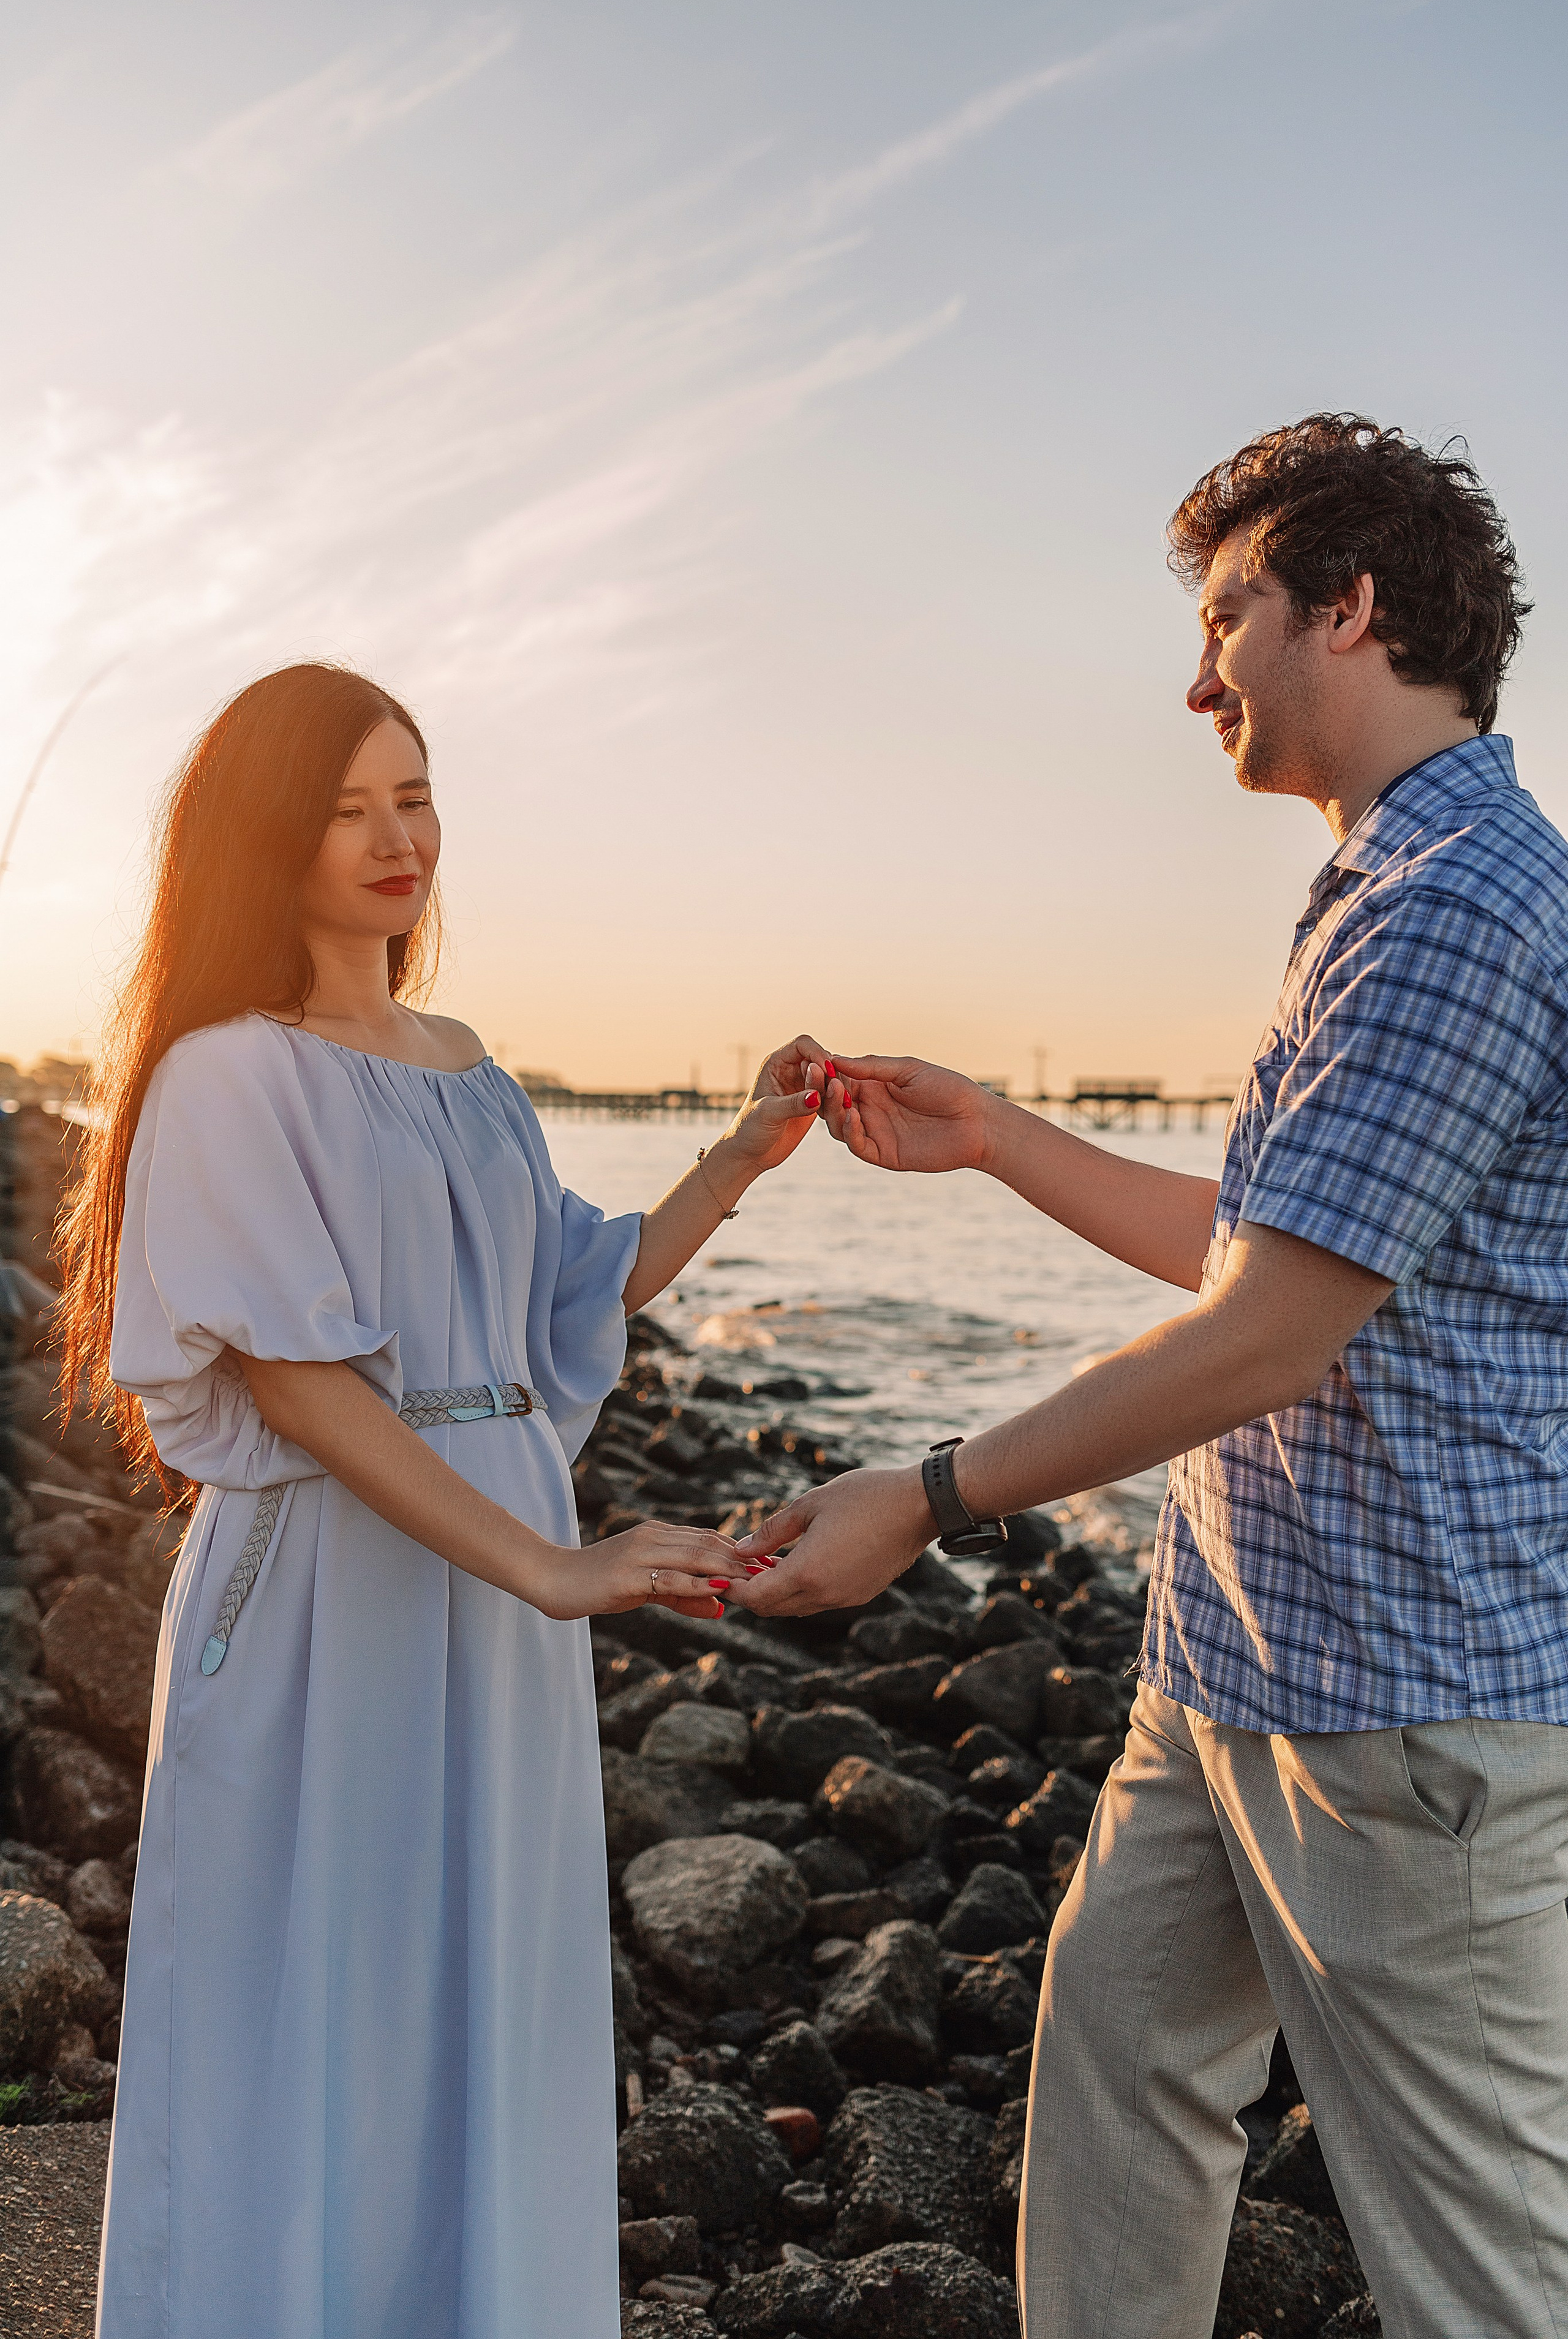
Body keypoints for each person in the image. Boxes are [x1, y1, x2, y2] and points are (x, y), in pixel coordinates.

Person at [726, 416, 1568, 2339]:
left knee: (1484, 2276)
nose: (1197, 677)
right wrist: (1005, 1135)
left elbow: (1269, 1333)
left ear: (1350, 612)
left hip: (1403, 1705)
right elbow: (1267, 1244)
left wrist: (924, 1499)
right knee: (1121, 2095)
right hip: (1238, 1664)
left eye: (1231, 616)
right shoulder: (1380, 884)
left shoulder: (1459, 906)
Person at [58, 662, 826, 2338]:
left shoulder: (469, 1068)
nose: (397, 838)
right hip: (336, 1581)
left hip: (498, 1584)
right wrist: (557, 1569)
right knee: (315, 1996)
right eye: (346, 809)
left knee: (488, 1990)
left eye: (414, 795)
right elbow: (302, 1383)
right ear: (268, 838)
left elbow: (570, 1298)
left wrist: (739, 1155)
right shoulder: (226, 1072)